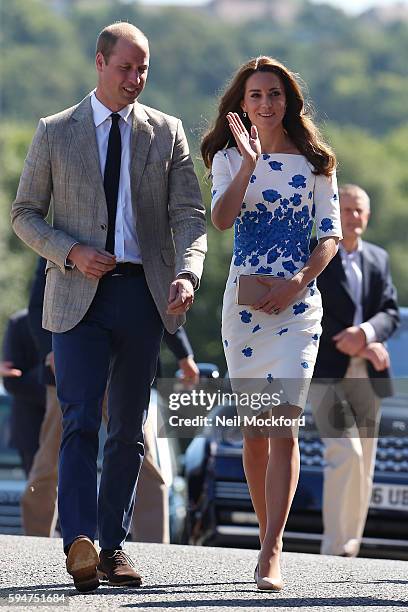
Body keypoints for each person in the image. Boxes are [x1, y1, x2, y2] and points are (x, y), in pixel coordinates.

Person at [11, 22, 206, 592]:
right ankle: (79, 541)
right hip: (75, 296)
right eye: (126, 68)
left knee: (127, 430)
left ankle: (114, 546)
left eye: (144, 69)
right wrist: (69, 250)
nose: (136, 79)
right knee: (78, 421)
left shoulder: (165, 132)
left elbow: (189, 216)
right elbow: (24, 213)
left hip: (142, 297)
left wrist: (189, 272)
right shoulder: (55, 132)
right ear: (99, 62)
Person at [201, 56, 342, 590]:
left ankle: (271, 549)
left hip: (299, 306)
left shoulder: (316, 162)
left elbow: (329, 235)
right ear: (242, 103)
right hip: (245, 311)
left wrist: (298, 282)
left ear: (289, 101)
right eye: (256, 94)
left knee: (284, 427)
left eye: (275, 94)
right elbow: (222, 219)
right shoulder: (226, 156)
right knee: (254, 436)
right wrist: (248, 165)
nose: (266, 103)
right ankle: (266, 536)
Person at [23, 257, 199, 543]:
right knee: (51, 457)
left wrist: (184, 354)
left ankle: (155, 542)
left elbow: (159, 297)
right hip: (68, 369)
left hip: (121, 369)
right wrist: (49, 351)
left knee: (140, 452)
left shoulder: (136, 236)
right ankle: (35, 537)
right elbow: (36, 305)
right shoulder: (68, 235)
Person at [309, 184, 399, 557]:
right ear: (334, 211)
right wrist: (349, 337)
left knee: (365, 464)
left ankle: (349, 549)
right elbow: (306, 306)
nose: (353, 217)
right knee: (345, 453)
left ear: (368, 215)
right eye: (346, 209)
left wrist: (367, 334)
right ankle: (334, 547)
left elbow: (391, 312)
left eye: (360, 210)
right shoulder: (317, 254)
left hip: (368, 373)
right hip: (325, 371)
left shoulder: (378, 258)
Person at [2, 310, 46, 476]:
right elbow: (12, 380)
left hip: (71, 429)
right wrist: (50, 383)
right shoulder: (20, 323)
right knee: (39, 492)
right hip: (31, 432)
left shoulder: (77, 319)